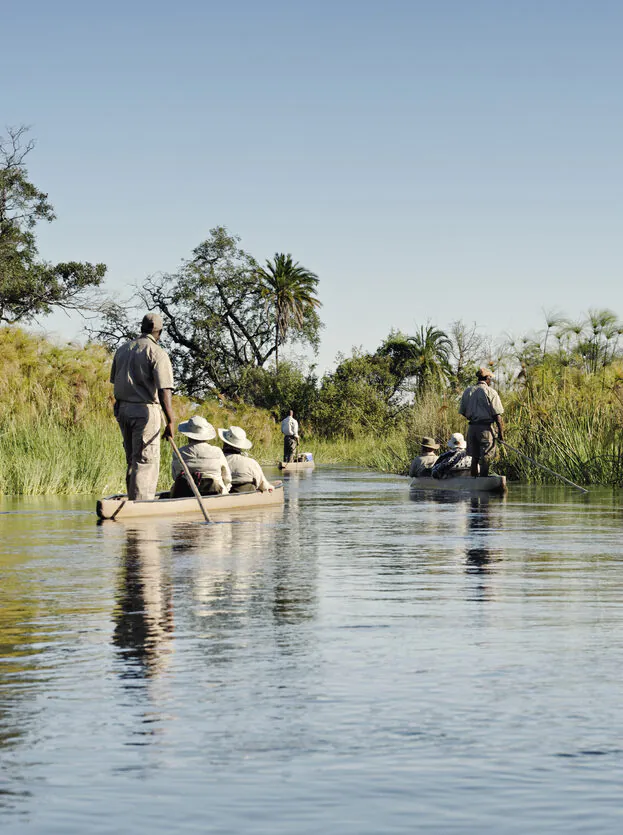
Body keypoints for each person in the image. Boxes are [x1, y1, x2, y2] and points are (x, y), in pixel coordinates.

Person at [110, 312, 174, 501]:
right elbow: (164, 391)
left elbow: (115, 380)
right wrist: (171, 421)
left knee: (132, 460)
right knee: (145, 460)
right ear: (159, 332)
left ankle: (132, 500)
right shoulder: (157, 353)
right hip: (145, 411)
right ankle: (141, 506)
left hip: (123, 410)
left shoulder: (122, 349)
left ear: (141, 328)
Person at [459, 366, 505, 478]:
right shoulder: (491, 392)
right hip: (485, 429)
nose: (491, 381)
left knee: (474, 458)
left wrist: (474, 417)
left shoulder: (468, 391)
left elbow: (463, 412)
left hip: (472, 429)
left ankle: (475, 482)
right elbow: (497, 416)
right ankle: (483, 480)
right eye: (490, 378)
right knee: (486, 457)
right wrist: (501, 435)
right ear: (487, 378)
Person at [170, 416, 232, 497]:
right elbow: (227, 478)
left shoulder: (178, 452)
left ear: (188, 435)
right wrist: (226, 490)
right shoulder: (217, 451)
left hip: (185, 493)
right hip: (216, 493)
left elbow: (175, 476)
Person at [218, 426, 274, 493]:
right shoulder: (251, 463)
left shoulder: (216, 461)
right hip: (247, 496)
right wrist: (270, 487)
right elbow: (264, 486)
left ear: (225, 443)